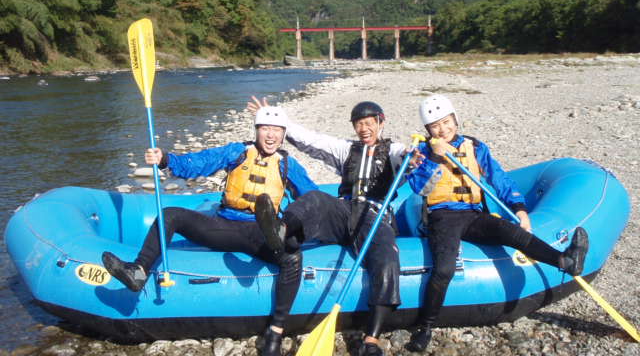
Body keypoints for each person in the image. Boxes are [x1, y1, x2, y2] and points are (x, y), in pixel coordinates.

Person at [101, 106, 318, 356]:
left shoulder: (288, 165)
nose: (271, 135)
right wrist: (165, 159)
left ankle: (275, 332)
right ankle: (138, 271)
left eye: (277, 130)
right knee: (171, 215)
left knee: (293, 258)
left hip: (262, 233)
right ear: (256, 131)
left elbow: (312, 198)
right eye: (265, 129)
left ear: (283, 134)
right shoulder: (237, 152)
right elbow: (201, 162)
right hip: (224, 227)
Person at [404, 94, 589, 352]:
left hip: (473, 213)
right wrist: (435, 157)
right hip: (443, 217)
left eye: (446, 122)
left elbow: (499, 178)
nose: (443, 130)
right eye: (435, 126)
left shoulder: (475, 147)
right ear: (428, 130)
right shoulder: (423, 152)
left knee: (512, 233)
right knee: (444, 269)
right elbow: (420, 188)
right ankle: (425, 327)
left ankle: (564, 261)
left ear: (455, 120)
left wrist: (519, 208)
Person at [248, 97, 407, 356]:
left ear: (381, 122)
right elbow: (311, 141)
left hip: (374, 215)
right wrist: (276, 119)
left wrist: (415, 159)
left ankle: (371, 340)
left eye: (369, 123)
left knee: (388, 260)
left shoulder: (395, 151)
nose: (364, 129)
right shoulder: (347, 150)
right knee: (315, 198)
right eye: (359, 124)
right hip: (344, 211)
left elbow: (410, 163)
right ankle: (282, 229)